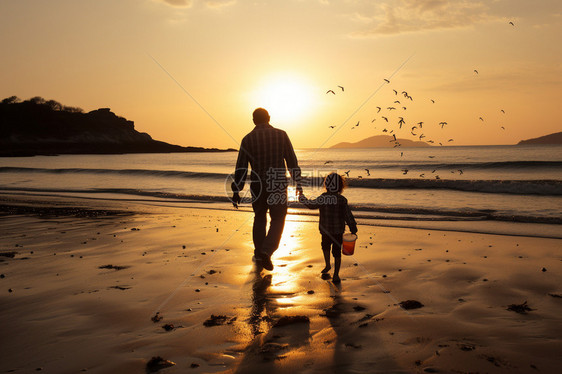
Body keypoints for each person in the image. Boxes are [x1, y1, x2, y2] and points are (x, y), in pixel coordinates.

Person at [231, 108, 302, 271]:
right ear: (268, 118)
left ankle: (259, 252)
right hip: (276, 182)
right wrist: (298, 183)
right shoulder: (281, 135)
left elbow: (241, 168)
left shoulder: (247, 139)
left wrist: (236, 190)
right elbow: (292, 161)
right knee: (278, 218)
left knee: (259, 217)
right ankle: (266, 251)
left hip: (257, 184)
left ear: (254, 120)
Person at [301, 172, 357, 284]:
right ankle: (336, 274)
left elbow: (311, 205)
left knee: (325, 247)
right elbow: (348, 215)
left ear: (326, 184)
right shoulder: (342, 200)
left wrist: (302, 198)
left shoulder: (323, 198)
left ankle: (327, 265)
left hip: (325, 230)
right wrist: (353, 227)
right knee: (337, 252)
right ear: (340, 186)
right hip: (337, 231)